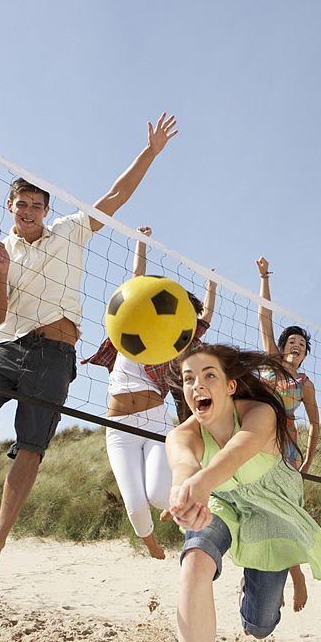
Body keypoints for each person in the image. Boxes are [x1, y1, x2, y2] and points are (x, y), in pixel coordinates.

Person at [0, 114, 179, 584]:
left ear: (46, 210)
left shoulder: (71, 232)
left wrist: (150, 153)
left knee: (30, 448)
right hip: (6, 345)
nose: (29, 210)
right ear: (10, 206)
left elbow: (114, 196)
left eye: (37, 204)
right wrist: (5, 273)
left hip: (54, 353)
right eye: (22, 204)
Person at [166, 344, 321, 642]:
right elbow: (183, 466)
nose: (197, 384)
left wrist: (200, 481)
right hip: (221, 500)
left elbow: (236, 453)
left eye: (208, 374)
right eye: (189, 378)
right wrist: (182, 495)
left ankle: (252, 594)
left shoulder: (261, 412)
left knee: (259, 626)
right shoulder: (181, 435)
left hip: (271, 508)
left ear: (230, 386)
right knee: (195, 560)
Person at [82, 226, 216, 560]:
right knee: (136, 504)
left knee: (159, 495)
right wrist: (141, 243)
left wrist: (212, 286)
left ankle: (199, 533)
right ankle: (151, 544)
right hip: (120, 428)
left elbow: (203, 322)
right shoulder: (127, 330)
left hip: (156, 422)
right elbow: (135, 281)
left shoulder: (171, 347)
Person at [255, 255, 321, 611]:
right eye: (291, 340)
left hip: (287, 451)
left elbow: (314, 422)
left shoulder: (305, 383)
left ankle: (293, 574)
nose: (297, 344)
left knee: (283, 513)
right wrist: (265, 276)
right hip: (256, 444)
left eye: (302, 343)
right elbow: (265, 314)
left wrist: (308, 460)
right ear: (282, 347)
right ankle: (262, 579)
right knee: (255, 511)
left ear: (306, 353)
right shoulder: (269, 363)